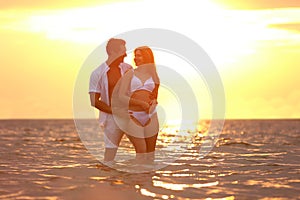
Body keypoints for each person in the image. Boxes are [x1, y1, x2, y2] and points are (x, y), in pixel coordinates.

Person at [89, 38, 132, 162]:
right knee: (109, 156)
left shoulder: (128, 68)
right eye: (123, 51)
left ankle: (139, 179)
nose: (126, 54)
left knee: (143, 150)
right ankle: (109, 180)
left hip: (130, 115)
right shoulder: (97, 73)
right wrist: (116, 112)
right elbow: (94, 101)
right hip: (111, 119)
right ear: (113, 52)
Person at [118, 46, 160, 164]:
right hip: (134, 115)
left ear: (147, 57)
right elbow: (121, 96)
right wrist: (140, 103)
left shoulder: (155, 77)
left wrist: (153, 102)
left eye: (139, 55)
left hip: (151, 115)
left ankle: (148, 181)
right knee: (141, 153)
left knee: (151, 156)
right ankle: (136, 179)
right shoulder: (129, 74)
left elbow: (154, 97)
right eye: (135, 56)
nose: (136, 58)